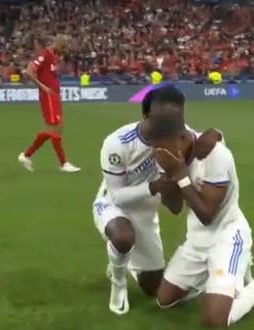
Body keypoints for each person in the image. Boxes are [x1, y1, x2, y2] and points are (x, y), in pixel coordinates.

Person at [148, 87, 254, 328]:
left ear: (182, 139)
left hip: (227, 235)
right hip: (197, 240)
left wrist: (181, 175)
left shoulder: (215, 155)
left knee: (215, 320)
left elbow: (207, 215)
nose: (157, 154)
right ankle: (220, 282)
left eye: (160, 148)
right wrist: (168, 184)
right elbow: (174, 208)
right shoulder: (169, 154)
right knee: (164, 301)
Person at [93, 86, 222, 315]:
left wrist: (176, 181)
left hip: (146, 213)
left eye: (177, 120)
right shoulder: (118, 143)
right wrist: (153, 187)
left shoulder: (185, 141)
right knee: (123, 237)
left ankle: (125, 262)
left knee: (154, 289)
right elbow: (116, 195)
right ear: (146, 115)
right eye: (162, 121)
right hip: (114, 205)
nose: (169, 128)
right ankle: (119, 284)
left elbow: (175, 208)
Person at [18, 34, 80, 173]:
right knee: (54, 129)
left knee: (57, 129)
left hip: (55, 95)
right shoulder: (44, 54)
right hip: (48, 96)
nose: (65, 50)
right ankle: (63, 163)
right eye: (64, 47)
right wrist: (42, 86)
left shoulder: (53, 56)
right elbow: (29, 71)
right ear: (59, 44)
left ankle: (27, 155)